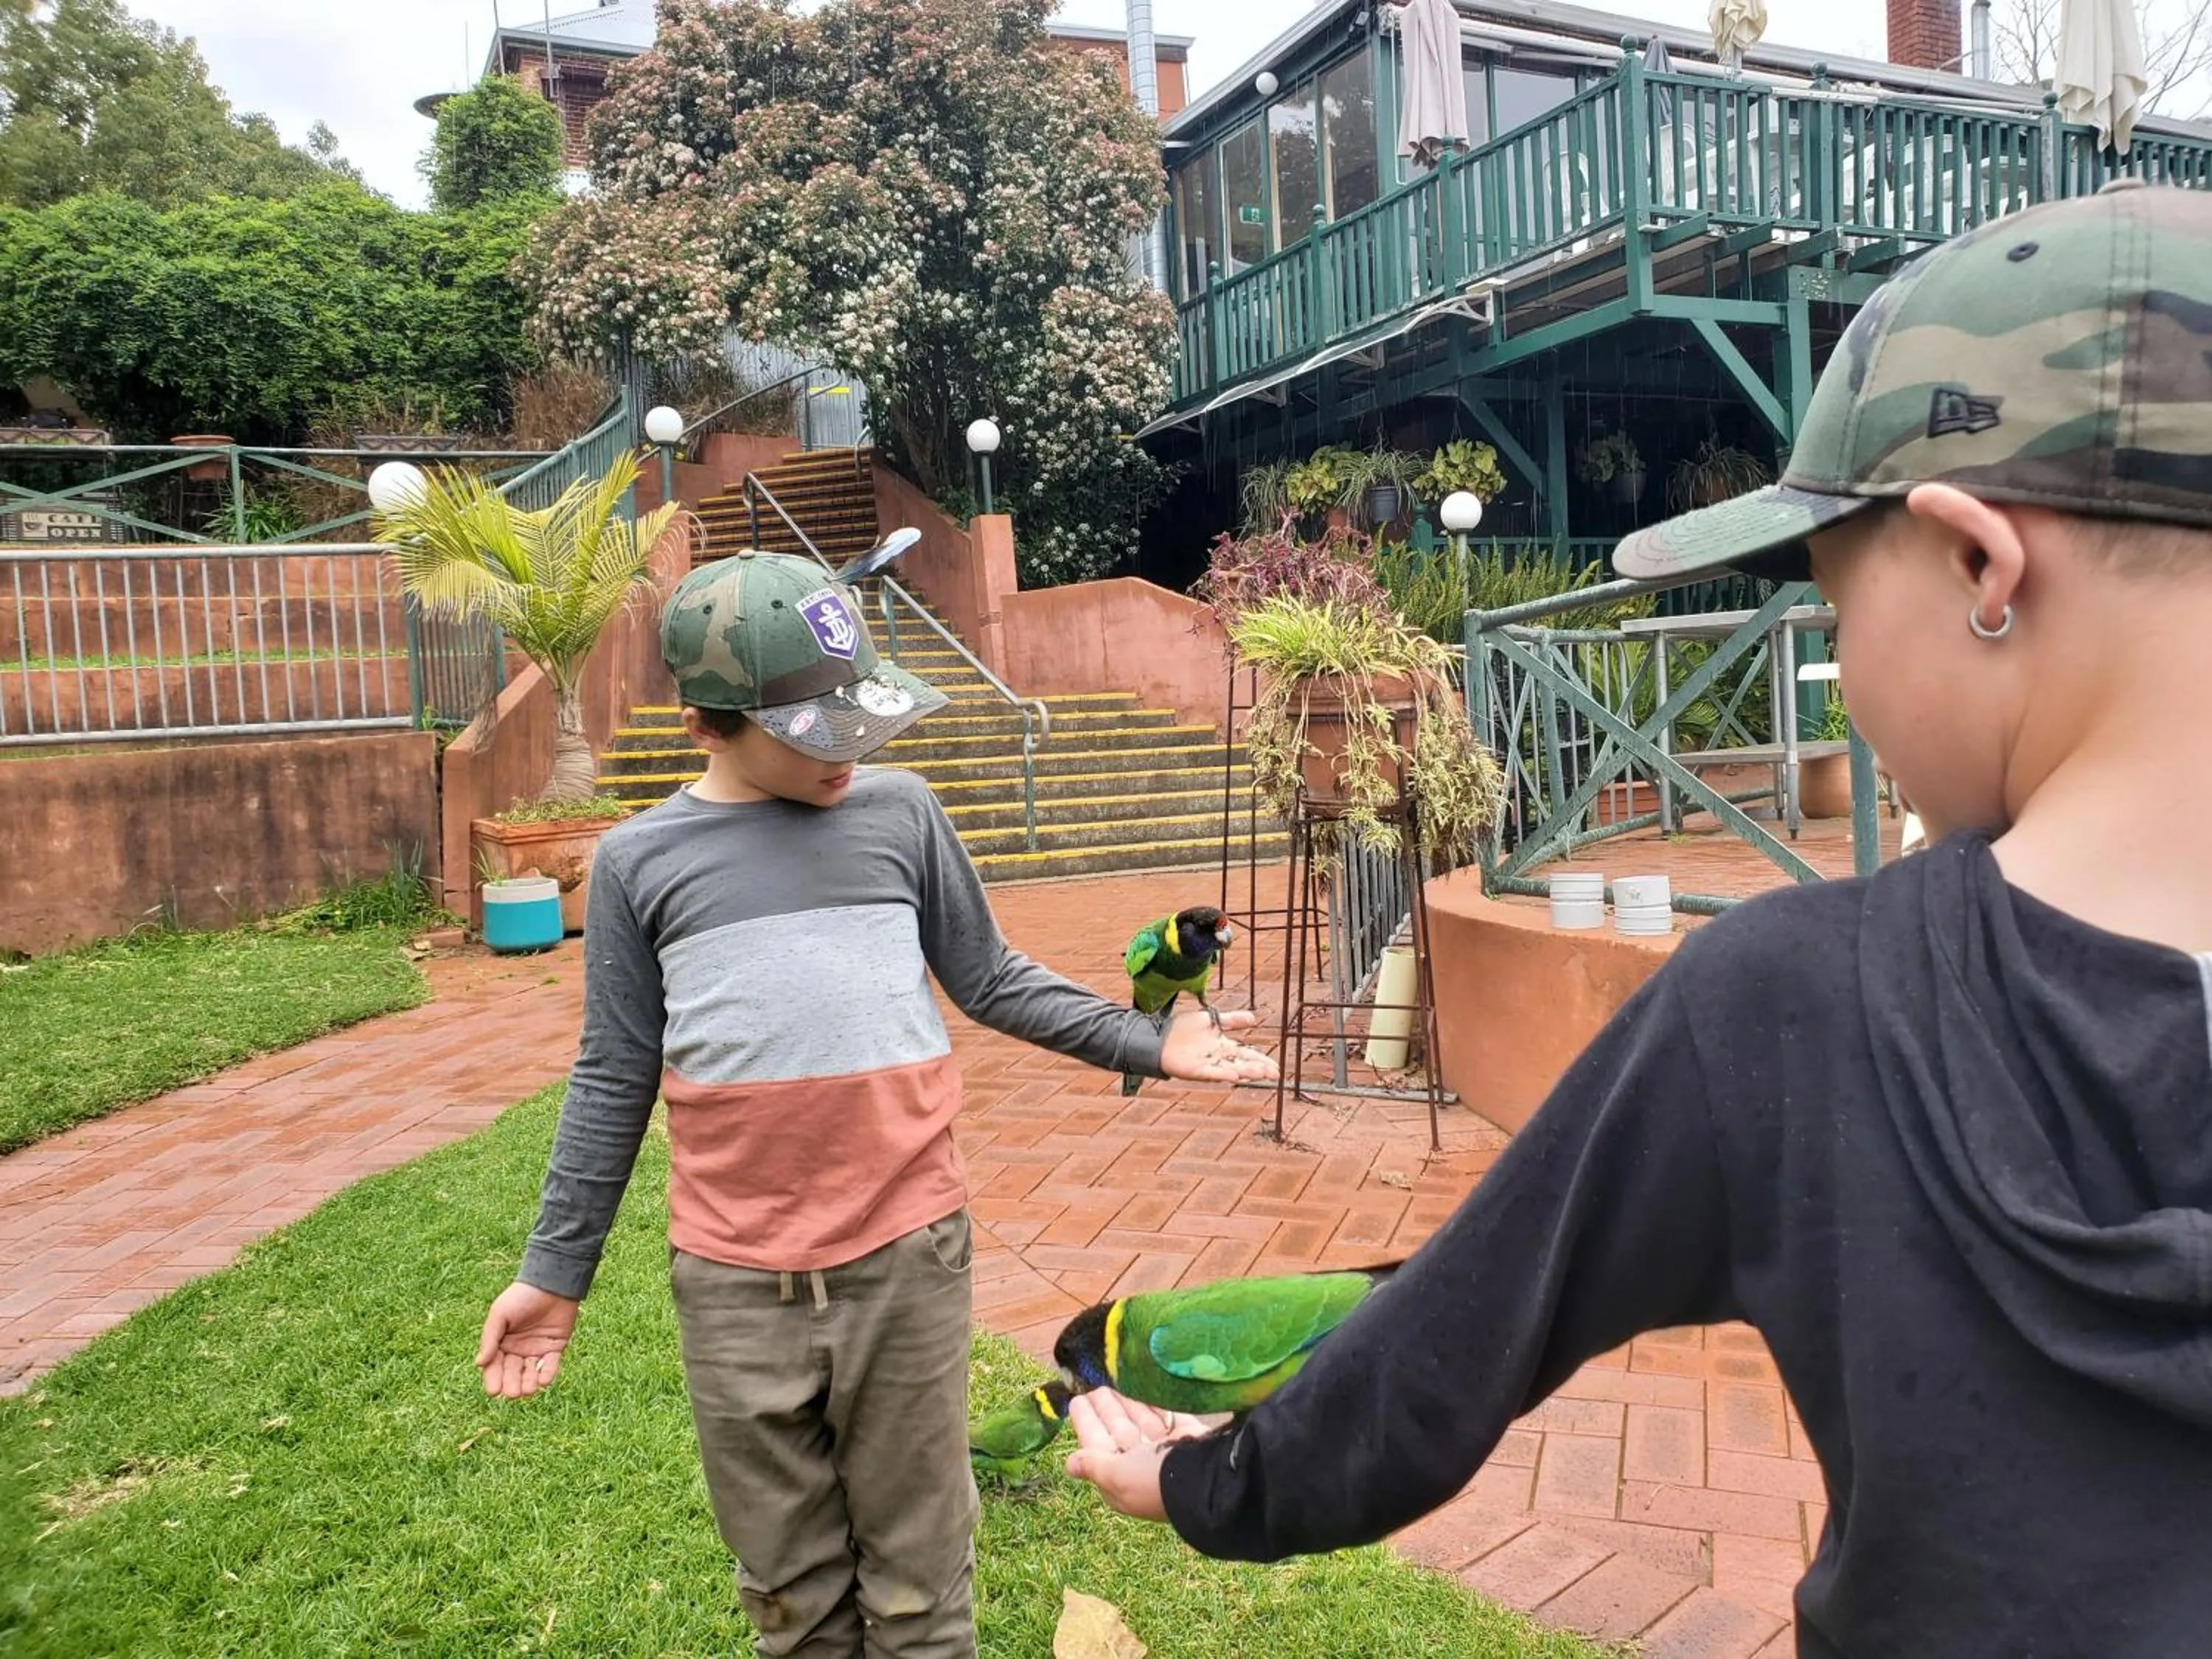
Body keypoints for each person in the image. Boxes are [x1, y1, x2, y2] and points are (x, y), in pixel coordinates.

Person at [1065, 181, 2212, 1656]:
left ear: (1981, 564)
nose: (1846, 676)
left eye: (1832, 599)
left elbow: (1453, 1343)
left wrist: (1205, 1479)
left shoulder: (1799, 1005)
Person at [471, 549, 1277, 1658]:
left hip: (907, 1262)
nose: (856, 750)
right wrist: (555, 1274)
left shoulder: (899, 816)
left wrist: (1149, 1039)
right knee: (792, 1595)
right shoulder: (637, 864)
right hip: (735, 1285)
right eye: (817, 729)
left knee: (920, 1584)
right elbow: (615, 1070)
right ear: (714, 722)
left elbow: (991, 977)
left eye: (861, 708)